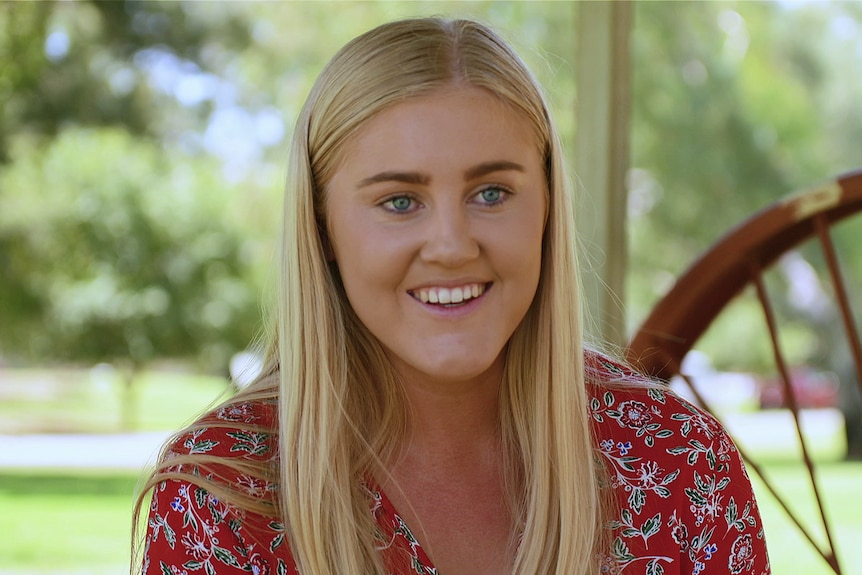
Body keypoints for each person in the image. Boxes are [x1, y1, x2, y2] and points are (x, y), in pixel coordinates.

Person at [133, 17, 770, 575]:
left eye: (491, 193)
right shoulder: (222, 494)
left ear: (547, 207)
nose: (452, 245)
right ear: (322, 226)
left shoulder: (677, 461)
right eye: (399, 202)